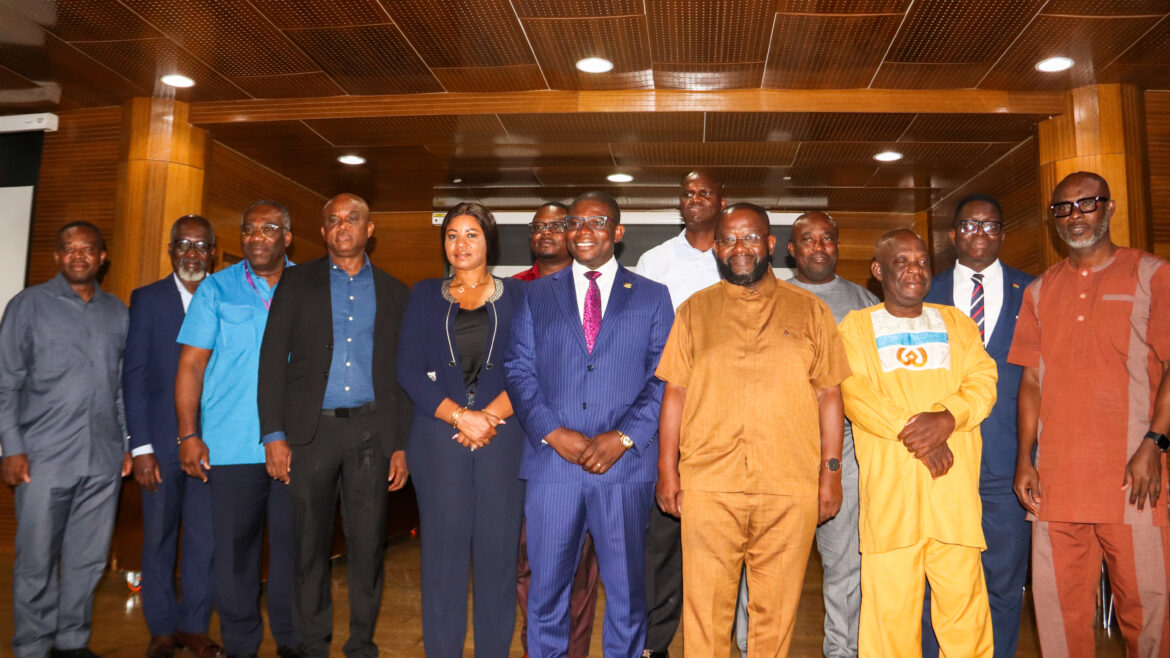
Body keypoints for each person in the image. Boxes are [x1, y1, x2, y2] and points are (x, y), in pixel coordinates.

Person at [656, 204, 850, 656]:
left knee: (775, 616)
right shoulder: (694, 311)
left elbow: (829, 394)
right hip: (709, 485)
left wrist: (831, 473)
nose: (738, 247)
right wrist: (667, 471)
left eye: (749, 237)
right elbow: (674, 394)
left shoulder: (811, 310)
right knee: (705, 612)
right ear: (716, 249)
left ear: (769, 244)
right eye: (727, 239)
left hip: (789, 484)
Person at [506, 191, 674, 657]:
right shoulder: (535, 295)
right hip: (552, 467)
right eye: (574, 223)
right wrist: (551, 431)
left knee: (626, 595)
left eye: (596, 222)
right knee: (545, 594)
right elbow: (518, 369)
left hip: (624, 468)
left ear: (618, 232)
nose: (583, 231)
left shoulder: (653, 296)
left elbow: (665, 376)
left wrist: (623, 437)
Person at [1010, 171, 1170, 657]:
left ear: (1110, 207)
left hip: (1132, 478)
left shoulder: (1152, 275)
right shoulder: (1039, 291)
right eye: (1063, 208)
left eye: (1086, 203)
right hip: (1057, 484)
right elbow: (1031, 381)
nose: (1074, 215)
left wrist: (1155, 443)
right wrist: (1024, 459)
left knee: (1149, 612)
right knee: (1059, 616)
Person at [258, 193, 410, 658]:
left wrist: (400, 445)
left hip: (371, 434)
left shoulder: (394, 291)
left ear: (370, 229)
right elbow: (271, 360)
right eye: (334, 220)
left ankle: (361, 644)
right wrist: (274, 435)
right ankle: (312, 644)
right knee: (308, 548)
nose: (343, 226)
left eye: (353, 218)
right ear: (323, 232)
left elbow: (402, 375)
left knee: (367, 548)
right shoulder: (296, 282)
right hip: (310, 435)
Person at [838, 229, 996, 657]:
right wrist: (924, 437)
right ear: (878, 271)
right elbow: (856, 394)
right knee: (888, 622)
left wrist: (948, 418)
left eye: (922, 261)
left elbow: (983, 381)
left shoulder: (957, 323)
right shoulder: (855, 328)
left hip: (953, 497)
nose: (915, 270)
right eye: (902, 262)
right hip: (892, 502)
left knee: (965, 619)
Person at [395, 202, 525, 657]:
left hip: (503, 440)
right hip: (438, 441)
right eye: (452, 235)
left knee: (497, 560)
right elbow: (408, 370)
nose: (461, 244)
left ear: (490, 241)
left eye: (472, 234)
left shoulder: (520, 295)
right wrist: (459, 415)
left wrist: (487, 416)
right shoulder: (423, 294)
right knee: (442, 562)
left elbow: (532, 368)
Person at [174, 201, 299, 658]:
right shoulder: (216, 288)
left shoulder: (311, 285)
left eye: (268, 228)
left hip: (297, 446)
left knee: (293, 554)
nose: (256, 237)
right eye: (249, 229)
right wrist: (189, 435)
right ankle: (241, 646)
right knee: (233, 558)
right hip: (230, 446)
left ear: (287, 237)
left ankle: (292, 642)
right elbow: (191, 365)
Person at [0, 222, 129, 658]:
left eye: (87, 248)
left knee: (88, 559)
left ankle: (72, 642)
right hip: (42, 458)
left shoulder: (118, 312)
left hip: (103, 457)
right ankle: (33, 646)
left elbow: (121, 387)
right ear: (57, 257)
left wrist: (125, 443)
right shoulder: (27, 305)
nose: (78, 255)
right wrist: (11, 448)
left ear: (102, 257)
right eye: (69, 249)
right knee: (36, 560)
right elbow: (6, 383)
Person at [921, 195, 1033, 658]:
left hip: (1008, 464)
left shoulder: (1034, 291)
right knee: (936, 581)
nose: (980, 233)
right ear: (953, 235)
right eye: (969, 225)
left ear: (1003, 234)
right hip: (940, 462)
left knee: (1004, 581)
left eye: (990, 225)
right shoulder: (923, 292)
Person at [634, 170, 725, 657]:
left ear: (721, 201)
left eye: (704, 193)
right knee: (663, 541)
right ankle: (657, 644)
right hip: (669, 413)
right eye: (687, 193)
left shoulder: (738, 257)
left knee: (721, 543)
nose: (695, 200)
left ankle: (716, 642)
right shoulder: (655, 261)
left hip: (727, 420)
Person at [779, 211, 878, 657]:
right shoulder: (774, 297)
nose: (819, 247)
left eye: (827, 239)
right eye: (808, 239)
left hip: (847, 453)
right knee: (766, 565)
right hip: (782, 451)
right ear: (791, 249)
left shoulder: (864, 302)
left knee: (845, 565)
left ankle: (843, 650)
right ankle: (753, 647)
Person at [124, 215, 222, 658]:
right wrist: (140, 447)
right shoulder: (147, 300)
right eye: (183, 244)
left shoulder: (225, 297)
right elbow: (134, 376)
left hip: (213, 446)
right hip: (160, 446)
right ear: (170, 250)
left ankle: (193, 628)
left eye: (200, 246)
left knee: (205, 541)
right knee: (159, 539)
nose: (192, 253)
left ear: (213, 252)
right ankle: (161, 630)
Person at [513, 202, 600, 658]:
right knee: (528, 563)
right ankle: (539, 646)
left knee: (581, 571)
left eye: (556, 225)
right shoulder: (513, 291)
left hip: (586, 453)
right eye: (538, 226)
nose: (546, 233)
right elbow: (513, 370)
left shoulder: (597, 291)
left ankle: (574, 650)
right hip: (525, 447)